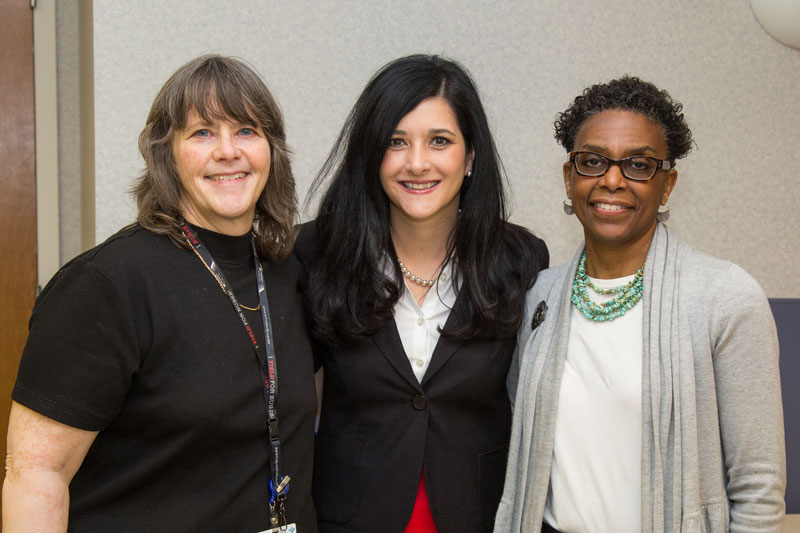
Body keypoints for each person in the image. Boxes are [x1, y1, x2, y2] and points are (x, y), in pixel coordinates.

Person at [3, 54, 317, 532]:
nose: (228, 150)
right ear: (165, 154)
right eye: (202, 132)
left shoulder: (289, 273)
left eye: (247, 131)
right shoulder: (107, 287)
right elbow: (36, 475)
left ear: (271, 151)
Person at [494, 76, 786, 532]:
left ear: (666, 185)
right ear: (570, 179)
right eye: (593, 162)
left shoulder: (724, 297)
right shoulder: (539, 296)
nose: (612, 180)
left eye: (638, 165)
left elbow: (757, 485)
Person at [294, 54, 548, 532]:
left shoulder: (521, 259)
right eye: (396, 141)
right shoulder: (315, 251)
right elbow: (277, 393)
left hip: (478, 517)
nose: (417, 163)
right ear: (371, 154)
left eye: (439, 141)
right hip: (347, 518)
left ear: (470, 156)